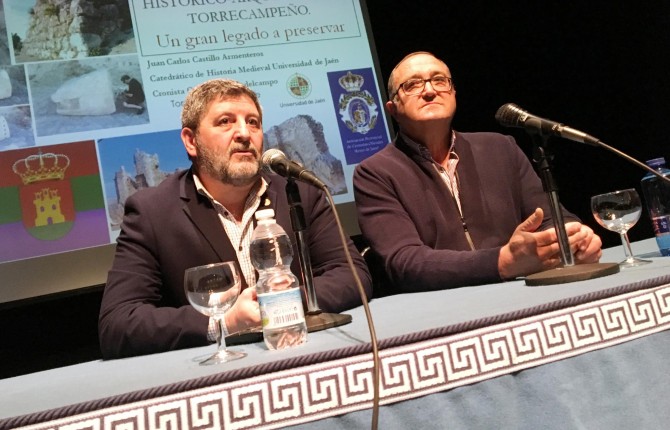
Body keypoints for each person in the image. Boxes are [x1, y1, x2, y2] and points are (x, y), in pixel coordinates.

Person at [99, 79, 372, 359]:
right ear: (191, 141)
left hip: (305, 351)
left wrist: (278, 303)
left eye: (253, 122)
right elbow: (118, 323)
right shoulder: (152, 212)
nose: (244, 133)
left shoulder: (300, 193)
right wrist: (224, 322)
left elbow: (353, 275)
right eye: (225, 122)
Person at [353, 51, 602, 295]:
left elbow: (550, 219)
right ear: (392, 108)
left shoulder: (501, 148)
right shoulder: (374, 173)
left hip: (521, 293)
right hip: (442, 306)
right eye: (413, 85)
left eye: (440, 80)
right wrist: (500, 262)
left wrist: (575, 239)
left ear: (453, 93)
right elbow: (405, 263)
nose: (429, 91)